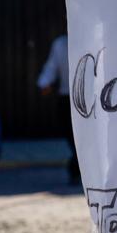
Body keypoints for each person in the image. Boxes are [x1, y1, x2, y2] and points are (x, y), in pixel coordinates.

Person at [38, 34, 79, 184]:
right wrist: (44, 83)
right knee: (72, 137)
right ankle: (76, 168)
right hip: (67, 97)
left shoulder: (92, 38)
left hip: (90, 97)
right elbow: (51, 66)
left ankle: (77, 169)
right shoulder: (60, 44)